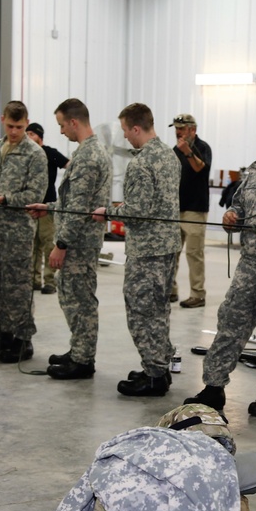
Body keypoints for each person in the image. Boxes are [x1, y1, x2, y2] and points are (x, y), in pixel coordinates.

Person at [185, 121, 256, 415]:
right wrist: (231, 218)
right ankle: (213, 387)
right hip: (250, 265)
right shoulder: (255, 171)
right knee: (230, 323)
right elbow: (238, 208)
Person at [92, 103, 179, 396]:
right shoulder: (170, 156)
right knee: (159, 309)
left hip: (146, 250)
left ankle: (154, 375)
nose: (126, 137)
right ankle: (159, 367)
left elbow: (138, 209)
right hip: (167, 246)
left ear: (137, 128)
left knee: (141, 311)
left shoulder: (142, 163)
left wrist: (108, 212)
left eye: (127, 131)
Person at [27, 99, 112, 380]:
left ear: (74, 122)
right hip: (78, 237)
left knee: (80, 300)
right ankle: (79, 349)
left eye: (62, 125)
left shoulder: (88, 156)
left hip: (79, 242)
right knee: (72, 298)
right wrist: (49, 207)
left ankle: (83, 359)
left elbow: (78, 208)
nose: (61, 131)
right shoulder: (85, 152)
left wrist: (60, 244)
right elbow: (76, 202)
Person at [0, 100, 48, 364]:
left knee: (18, 287)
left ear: (26, 122)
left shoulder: (35, 154)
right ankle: (1, 332)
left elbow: (35, 195)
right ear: (2, 119)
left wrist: (5, 199)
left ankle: (23, 339)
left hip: (17, 232)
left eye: (20, 126)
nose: (14, 131)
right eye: (11, 126)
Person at [169, 114, 212, 308]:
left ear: (192, 130)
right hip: (175, 208)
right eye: (176, 128)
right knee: (171, 252)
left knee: (194, 253)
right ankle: (170, 289)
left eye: (182, 128)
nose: (178, 131)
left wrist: (187, 152)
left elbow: (200, 169)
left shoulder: (203, 148)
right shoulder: (174, 151)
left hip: (195, 209)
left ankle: (198, 294)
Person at [25, 121, 69, 295]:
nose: (28, 137)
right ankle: (34, 280)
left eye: (32, 134)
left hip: (47, 206)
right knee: (33, 245)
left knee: (48, 244)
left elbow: (69, 165)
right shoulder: (27, 155)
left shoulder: (50, 153)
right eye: (26, 134)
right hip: (30, 207)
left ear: (39, 137)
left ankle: (49, 281)